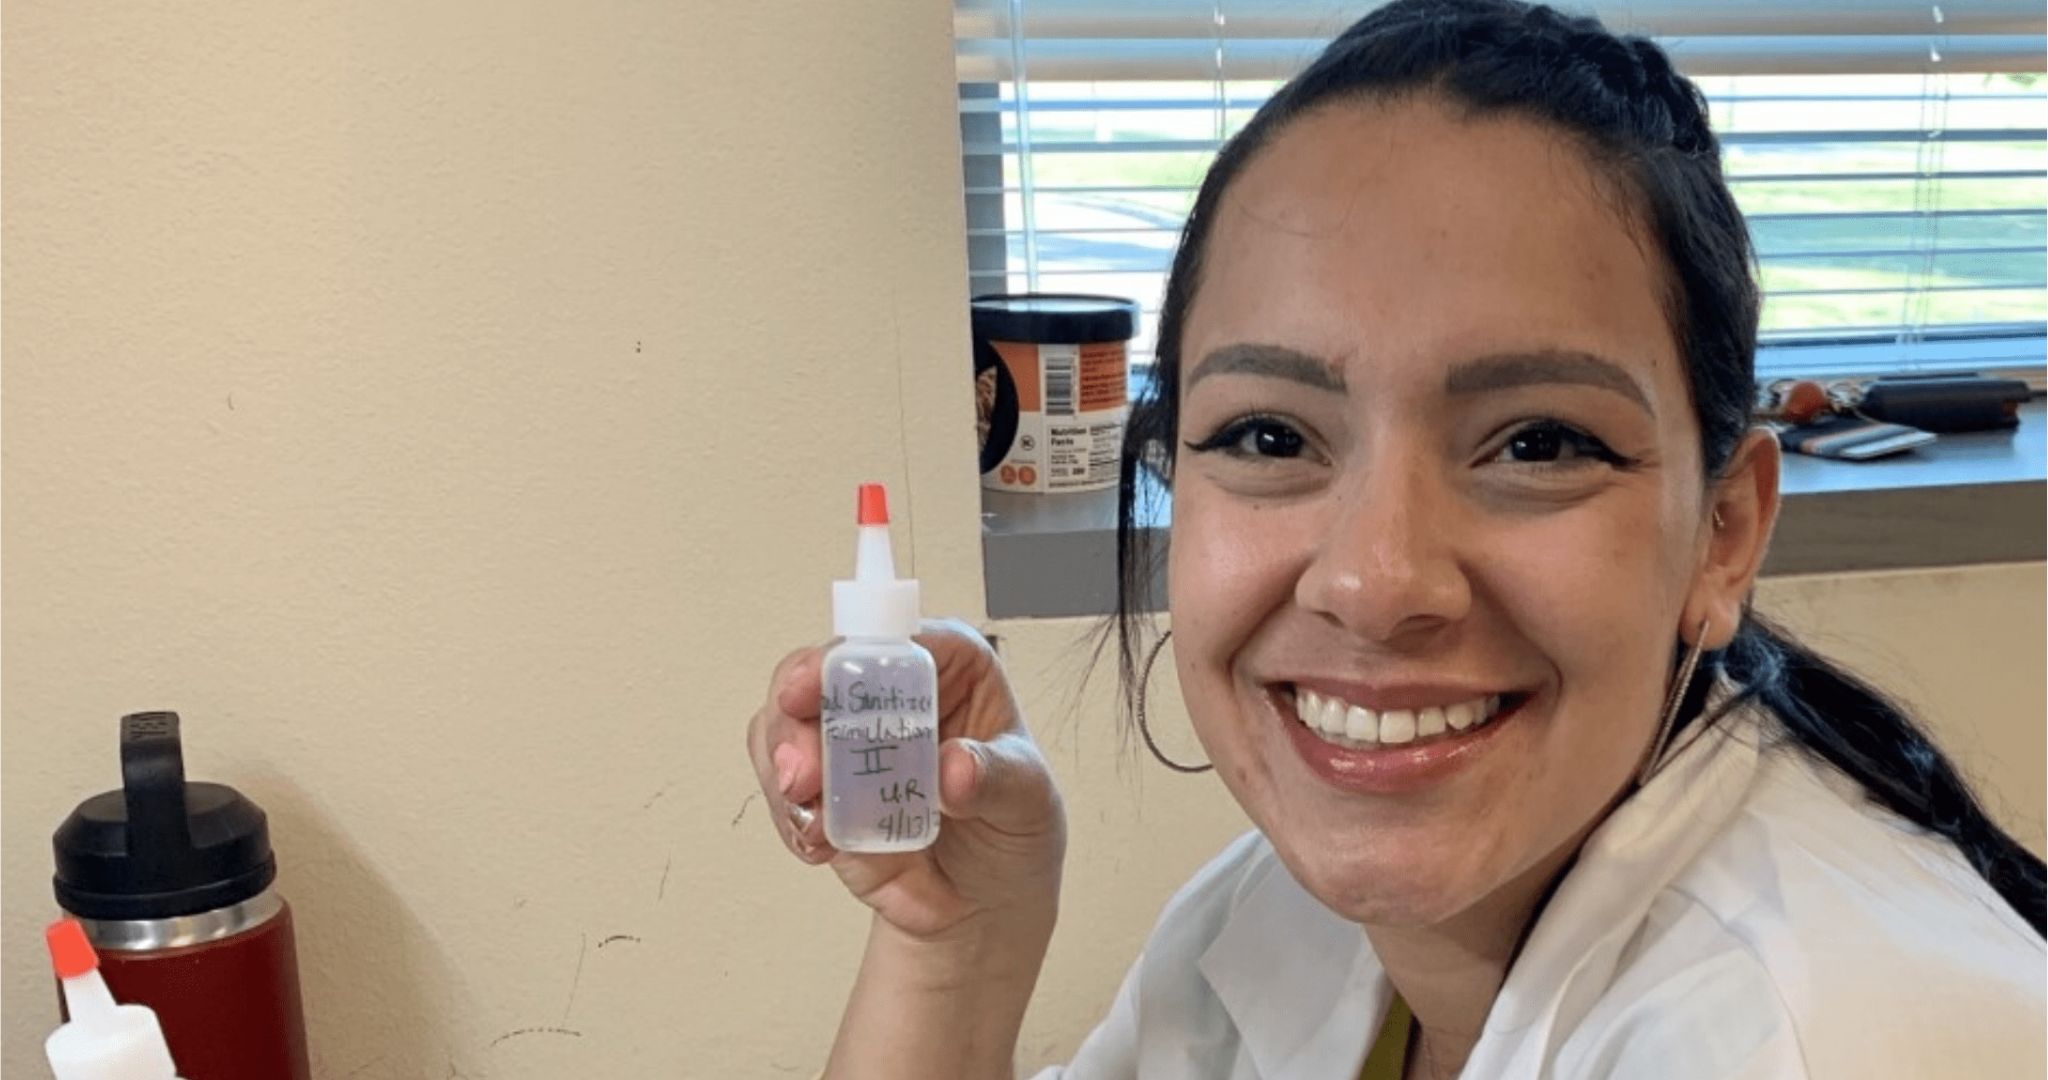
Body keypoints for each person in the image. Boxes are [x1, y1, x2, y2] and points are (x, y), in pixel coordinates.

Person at [744, 1, 2048, 1075]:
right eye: (1269, 436)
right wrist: (957, 947)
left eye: (1538, 441)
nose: (1376, 581)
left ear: (1722, 534)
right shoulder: (1280, 920)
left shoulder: (1828, 1040)